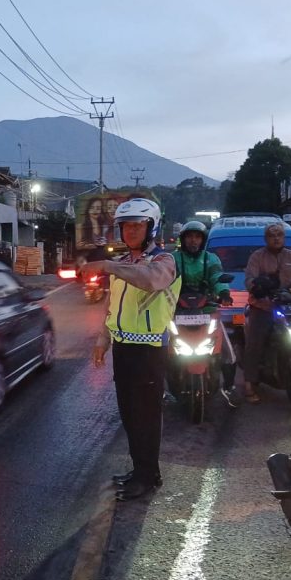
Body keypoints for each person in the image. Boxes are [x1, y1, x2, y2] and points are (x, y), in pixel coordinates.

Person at [81, 197, 180, 501]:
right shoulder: (123, 265)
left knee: (146, 418)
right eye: (125, 226)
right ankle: (143, 470)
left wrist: (108, 264)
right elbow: (113, 308)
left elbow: (151, 282)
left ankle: (146, 478)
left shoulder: (164, 261)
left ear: (151, 227)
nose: (131, 231)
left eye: (137, 225)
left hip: (150, 352)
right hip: (124, 350)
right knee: (129, 416)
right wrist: (102, 340)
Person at [241, 222, 291, 403]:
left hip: (290, 307)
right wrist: (257, 287)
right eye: (272, 235)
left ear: (284, 237)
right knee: (255, 344)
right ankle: (249, 383)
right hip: (263, 307)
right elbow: (249, 279)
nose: (276, 238)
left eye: (279, 235)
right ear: (266, 239)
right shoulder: (257, 256)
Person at [172, 220, 238, 396]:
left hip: (207, 310)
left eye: (197, 237)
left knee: (227, 352)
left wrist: (224, 293)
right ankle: (161, 390)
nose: (193, 241)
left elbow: (216, 276)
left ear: (203, 240)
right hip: (178, 311)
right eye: (190, 237)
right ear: (183, 240)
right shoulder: (173, 259)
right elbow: (165, 279)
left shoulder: (211, 258)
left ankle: (229, 387)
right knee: (161, 348)